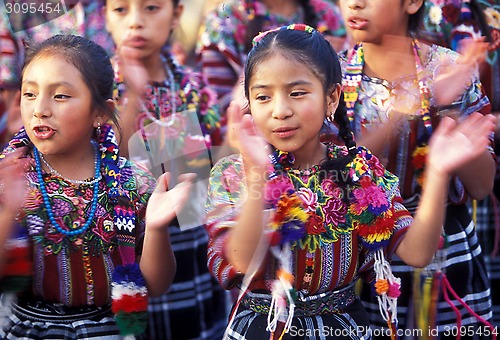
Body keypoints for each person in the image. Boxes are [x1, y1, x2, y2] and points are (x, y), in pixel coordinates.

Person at [204, 24, 496, 339]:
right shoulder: (233, 173)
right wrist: (256, 175)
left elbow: (417, 253)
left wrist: (437, 172)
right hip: (263, 329)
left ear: (332, 99)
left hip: (344, 328)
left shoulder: (359, 171)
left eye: (297, 93)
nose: (280, 110)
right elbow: (241, 262)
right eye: (263, 97)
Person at [0, 34, 195, 338]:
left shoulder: (131, 184)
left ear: (100, 113)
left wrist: (156, 229)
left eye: (60, 96)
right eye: (29, 94)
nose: (40, 109)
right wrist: (6, 213)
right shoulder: (9, 176)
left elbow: (155, 285)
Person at [337, 0, 497, 336]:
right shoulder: (331, 76)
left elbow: (482, 186)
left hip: (445, 253)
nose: (355, 3)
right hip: (364, 254)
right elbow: (335, 171)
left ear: (411, 3)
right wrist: (408, 109)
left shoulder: (448, 68)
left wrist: (447, 110)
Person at [104, 1, 228, 339]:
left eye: (151, 8)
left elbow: (206, 184)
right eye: (120, 10)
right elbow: (105, 169)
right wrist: (130, 100)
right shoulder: (96, 88)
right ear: (104, 16)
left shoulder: (193, 87)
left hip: (191, 252)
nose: (135, 23)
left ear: (176, 14)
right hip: (128, 250)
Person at [419, 0, 500, 327]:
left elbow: (481, 184)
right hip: (383, 237)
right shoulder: (344, 68)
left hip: (464, 197)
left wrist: (476, 121)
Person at [196, 0, 347, 141]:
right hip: (250, 143)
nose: (281, 110)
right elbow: (218, 110)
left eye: (297, 93)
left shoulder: (328, 15)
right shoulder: (224, 20)